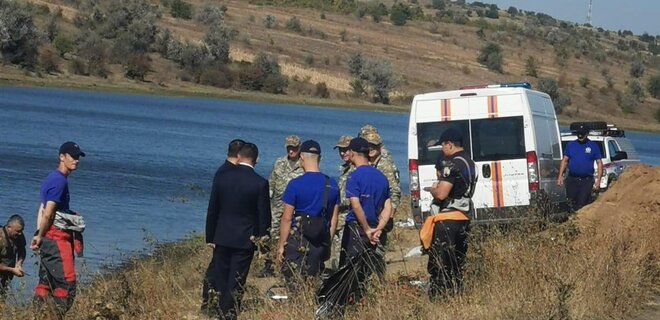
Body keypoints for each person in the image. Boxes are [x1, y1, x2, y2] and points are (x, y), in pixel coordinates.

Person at [205, 142, 271, 320]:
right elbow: (263, 215)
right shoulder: (260, 183)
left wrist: (210, 236)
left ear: (239, 157)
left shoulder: (222, 177)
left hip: (223, 235)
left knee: (220, 275)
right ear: (256, 160)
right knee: (237, 278)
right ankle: (230, 313)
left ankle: (217, 310)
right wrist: (263, 243)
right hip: (245, 238)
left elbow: (213, 209)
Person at [276, 140, 340, 288]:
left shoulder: (295, 184)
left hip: (297, 241)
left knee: (294, 283)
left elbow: (286, 218)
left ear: (302, 158)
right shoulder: (332, 184)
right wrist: (327, 244)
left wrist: (281, 246)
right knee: (313, 282)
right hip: (318, 241)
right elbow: (333, 219)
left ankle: (297, 308)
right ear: (320, 158)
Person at [32, 141, 86, 315]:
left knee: (46, 283)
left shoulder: (53, 178)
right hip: (56, 238)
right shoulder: (59, 181)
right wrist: (40, 235)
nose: (76, 160)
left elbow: (41, 208)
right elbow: (48, 211)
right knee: (67, 285)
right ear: (62, 157)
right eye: (73, 156)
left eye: (78, 157)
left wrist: (39, 234)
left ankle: (37, 315)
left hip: (49, 237)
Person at [423, 128, 475, 299]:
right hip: (463, 216)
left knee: (441, 261)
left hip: (448, 218)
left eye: (442, 146)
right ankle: (457, 294)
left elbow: (442, 194)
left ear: (450, 144)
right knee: (457, 260)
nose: (442, 150)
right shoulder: (469, 161)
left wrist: (432, 189)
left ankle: (440, 296)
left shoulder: (452, 165)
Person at [201, 139, 245, 317]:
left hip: (223, 230)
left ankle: (214, 301)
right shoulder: (226, 173)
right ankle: (209, 302)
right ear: (239, 155)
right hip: (224, 231)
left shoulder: (225, 171)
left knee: (218, 268)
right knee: (216, 269)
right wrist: (211, 236)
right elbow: (214, 207)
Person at [340, 137, 392, 272]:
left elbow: (356, 205)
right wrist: (379, 229)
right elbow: (388, 207)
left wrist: (366, 228)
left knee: (349, 269)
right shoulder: (382, 177)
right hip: (375, 228)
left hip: (356, 227)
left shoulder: (354, 176)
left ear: (352, 153)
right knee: (367, 268)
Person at [262, 135, 304, 277]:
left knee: (291, 235)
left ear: (299, 148)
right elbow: (271, 182)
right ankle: (267, 265)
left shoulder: (303, 164)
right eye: (289, 148)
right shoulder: (279, 163)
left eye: (294, 148)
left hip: (294, 208)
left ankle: (287, 265)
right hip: (277, 206)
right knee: (271, 233)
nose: (291, 151)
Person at [364, 131, 401, 239]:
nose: (371, 149)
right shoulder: (367, 163)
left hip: (382, 216)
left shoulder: (385, 166)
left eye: (374, 146)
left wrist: (389, 216)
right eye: (368, 146)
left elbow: (394, 192)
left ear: (380, 147)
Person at [557, 126, 603, 211]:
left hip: (586, 181)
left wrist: (598, 180)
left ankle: (579, 220)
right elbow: (565, 160)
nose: (580, 136)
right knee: (570, 203)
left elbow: (599, 163)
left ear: (586, 134)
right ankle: (571, 219)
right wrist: (560, 176)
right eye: (579, 134)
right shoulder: (571, 145)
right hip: (572, 179)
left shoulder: (593, 146)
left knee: (582, 203)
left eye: (582, 134)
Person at [327, 135, 353, 270]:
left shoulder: (356, 169)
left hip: (348, 218)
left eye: (346, 149)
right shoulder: (345, 169)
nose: (343, 153)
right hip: (339, 219)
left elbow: (350, 197)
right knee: (336, 255)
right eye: (340, 150)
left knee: (344, 256)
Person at [0, 215, 26, 297]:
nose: (20, 233)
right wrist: (12, 270)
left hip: (7, 275)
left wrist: (19, 263)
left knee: (3, 297)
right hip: (5, 270)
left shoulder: (20, 236)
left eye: (21, 230)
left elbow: (22, 251)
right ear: (9, 227)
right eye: (17, 231)